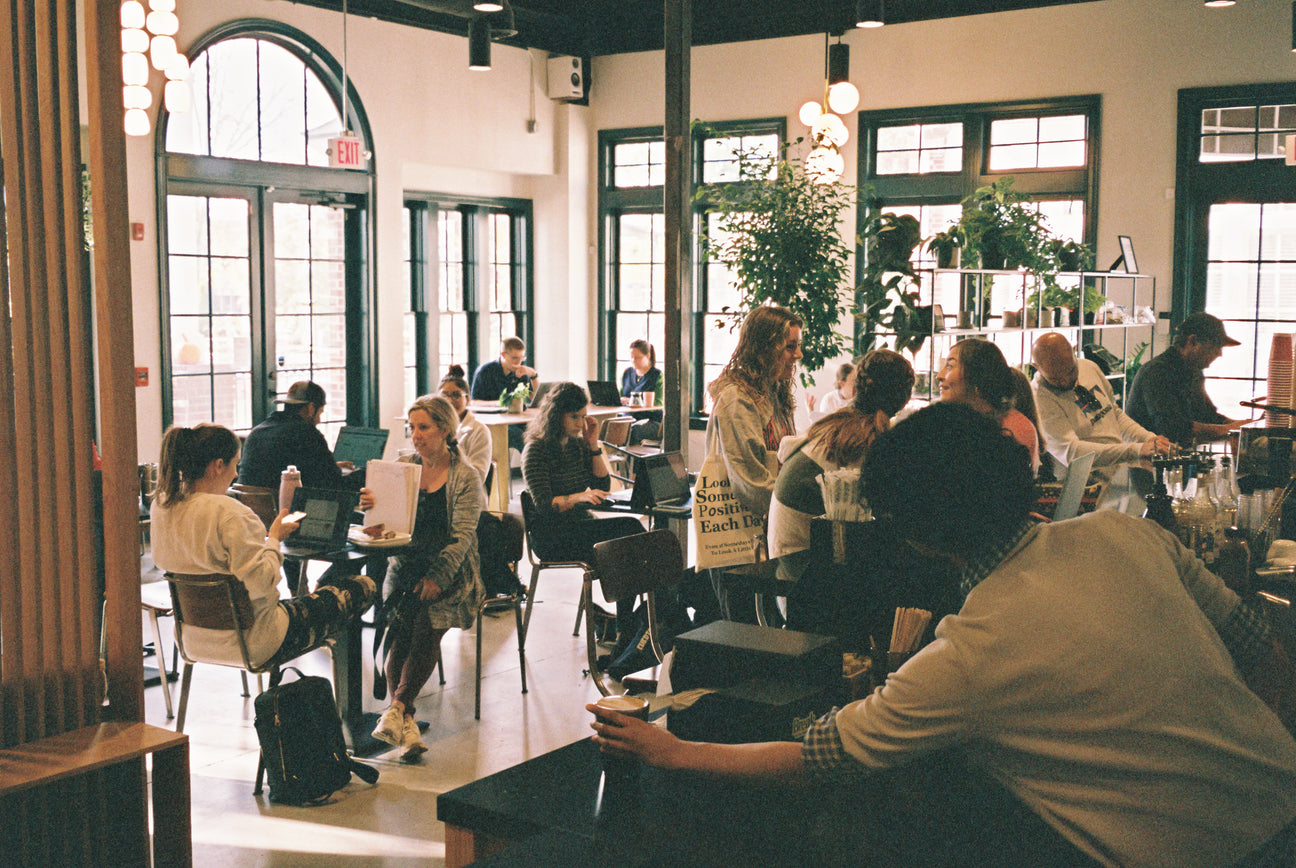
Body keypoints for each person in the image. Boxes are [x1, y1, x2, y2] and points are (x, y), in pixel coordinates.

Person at [589, 403, 1296, 867]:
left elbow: (817, 758)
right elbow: (1260, 644)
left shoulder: (974, 651)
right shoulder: (1127, 536)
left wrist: (673, 753)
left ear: (914, 533)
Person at [150, 424, 375, 671]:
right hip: (254, 642)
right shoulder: (231, 514)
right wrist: (275, 539)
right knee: (361, 587)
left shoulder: (162, 506)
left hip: (191, 640)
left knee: (307, 602)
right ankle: (346, 703)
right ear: (217, 465)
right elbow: (263, 582)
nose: (236, 474)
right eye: (235, 464)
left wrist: (268, 540)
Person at [370, 395, 484, 761]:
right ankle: (406, 723)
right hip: (406, 569)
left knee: (424, 625)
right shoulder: (404, 467)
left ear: (445, 430)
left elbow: (462, 538)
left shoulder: (466, 477)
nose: (415, 436)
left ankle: (397, 710)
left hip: (452, 572)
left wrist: (437, 576)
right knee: (400, 636)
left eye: (424, 428)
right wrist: (372, 510)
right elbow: (389, 525)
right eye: (412, 427)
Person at [768, 349, 913, 583]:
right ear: (904, 399)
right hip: (801, 568)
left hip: (785, 549)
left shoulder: (842, 422)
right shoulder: (863, 439)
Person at [521, 382, 645, 638]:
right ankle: (626, 626)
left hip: (579, 526)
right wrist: (577, 497)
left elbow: (602, 484)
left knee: (629, 542)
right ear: (557, 415)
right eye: (574, 416)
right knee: (629, 532)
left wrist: (593, 444)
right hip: (551, 536)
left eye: (582, 415)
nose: (580, 423)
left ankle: (626, 626)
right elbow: (544, 505)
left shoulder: (577, 445)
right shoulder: (536, 449)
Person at [703, 305, 802, 622]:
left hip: (762, 532)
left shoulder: (773, 393)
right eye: (790, 346)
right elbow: (751, 483)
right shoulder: (736, 398)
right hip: (736, 536)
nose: (798, 354)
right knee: (746, 635)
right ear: (764, 347)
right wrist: (795, 507)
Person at [1031, 332, 1170, 513]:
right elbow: (1074, 453)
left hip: (1116, 468)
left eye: (1071, 371)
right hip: (1080, 486)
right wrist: (1136, 450)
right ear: (1036, 366)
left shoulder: (1089, 367)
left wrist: (1150, 440)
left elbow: (1114, 414)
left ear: (1074, 351)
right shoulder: (1039, 399)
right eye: (1056, 378)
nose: (1066, 381)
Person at [1126, 311, 1248, 446]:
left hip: (1173, 455)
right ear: (1193, 341)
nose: (1219, 354)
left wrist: (1244, 426)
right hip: (1147, 460)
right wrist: (1228, 429)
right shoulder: (1157, 371)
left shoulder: (1193, 370)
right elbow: (1172, 428)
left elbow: (1208, 416)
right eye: (1215, 347)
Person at [937, 338, 1039, 474]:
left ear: (977, 375)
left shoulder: (1012, 427)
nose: (939, 375)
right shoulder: (957, 422)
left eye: (950, 366)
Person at [237, 380, 358, 491]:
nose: (319, 421)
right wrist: (365, 474)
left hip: (253, 509)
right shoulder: (307, 434)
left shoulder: (258, 431)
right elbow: (335, 483)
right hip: (288, 510)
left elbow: (282, 467)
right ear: (311, 408)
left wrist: (330, 464)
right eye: (320, 413)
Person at [471, 337, 538, 455]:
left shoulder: (521, 372)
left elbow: (533, 398)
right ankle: (532, 467)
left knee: (539, 433)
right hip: (493, 422)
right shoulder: (485, 371)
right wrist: (499, 403)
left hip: (516, 420)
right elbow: (473, 403)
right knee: (522, 437)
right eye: (514, 358)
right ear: (503, 355)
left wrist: (533, 375)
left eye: (522, 358)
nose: (519, 362)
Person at [439, 365, 491, 485]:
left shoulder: (479, 431)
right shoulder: (435, 428)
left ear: (467, 399)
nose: (450, 401)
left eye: (456, 395)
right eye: (445, 395)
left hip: (466, 493)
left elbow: (476, 478)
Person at [620, 339, 663, 445]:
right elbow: (620, 396)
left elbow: (658, 403)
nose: (633, 360)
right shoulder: (627, 373)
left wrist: (633, 401)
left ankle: (628, 460)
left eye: (637, 357)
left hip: (651, 421)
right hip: (628, 419)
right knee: (608, 428)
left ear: (648, 356)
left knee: (630, 432)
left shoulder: (657, 376)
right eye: (631, 357)